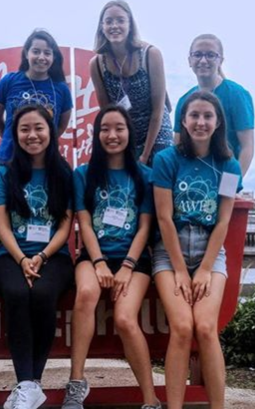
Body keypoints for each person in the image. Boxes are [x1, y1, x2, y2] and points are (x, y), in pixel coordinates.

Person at [63, 105, 160, 409]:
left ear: (129, 133)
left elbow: (145, 227)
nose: (112, 135)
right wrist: (100, 262)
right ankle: (76, 383)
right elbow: (85, 223)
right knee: (87, 294)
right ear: (97, 133)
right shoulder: (83, 174)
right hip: (94, 256)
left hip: (133, 259)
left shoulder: (145, 175)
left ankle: (150, 399)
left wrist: (128, 266)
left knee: (124, 318)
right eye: (105, 128)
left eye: (119, 128)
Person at [151, 92, 242, 409]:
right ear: (184, 120)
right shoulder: (166, 160)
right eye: (194, 115)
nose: (201, 122)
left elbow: (223, 221)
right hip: (169, 250)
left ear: (218, 122)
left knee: (205, 328)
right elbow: (164, 217)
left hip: (209, 252)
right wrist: (179, 270)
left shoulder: (229, 165)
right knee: (181, 327)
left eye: (207, 116)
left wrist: (203, 269)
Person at [0, 105, 74, 409]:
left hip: (54, 256)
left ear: (50, 131)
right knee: (15, 292)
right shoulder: (4, 172)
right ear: (15, 134)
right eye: (24, 129)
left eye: (38, 128)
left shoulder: (63, 173)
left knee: (41, 293)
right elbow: (2, 225)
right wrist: (22, 259)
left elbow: (66, 225)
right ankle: (27, 383)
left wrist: (40, 255)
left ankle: (31, 384)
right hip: (10, 255)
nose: (32, 135)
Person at [89, 0, 173, 165]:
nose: (114, 26)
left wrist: (145, 154)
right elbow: (108, 113)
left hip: (156, 128)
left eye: (120, 20)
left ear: (130, 24)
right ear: (102, 27)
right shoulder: (97, 64)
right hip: (125, 131)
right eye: (109, 21)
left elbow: (158, 109)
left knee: (157, 166)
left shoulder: (151, 54)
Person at [174, 34, 255, 176]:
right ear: (189, 60)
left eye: (211, 55)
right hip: (193, 182)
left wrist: (231, 187)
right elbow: (177, 147)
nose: (203, 60)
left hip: (225, 178)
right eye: (197, 55)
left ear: (220, 60)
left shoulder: (237, 95)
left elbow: (247, 146)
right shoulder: (184, 101)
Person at [0, 29, 73, 164]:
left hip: (45, 162)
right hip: (8, 159)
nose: (41, 57)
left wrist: (42, 142)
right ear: (26, 53)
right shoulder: (8, 81)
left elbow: (60, 127)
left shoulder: (61, 89)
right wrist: (11, 137)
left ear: (54, 57)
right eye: (36, 51)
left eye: (47, 53)